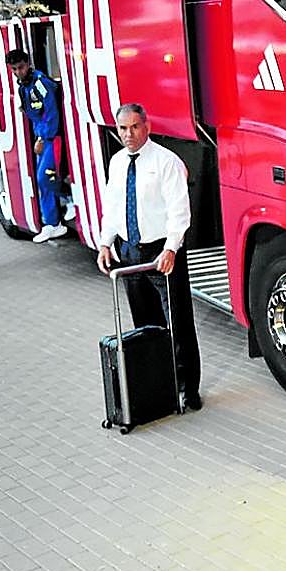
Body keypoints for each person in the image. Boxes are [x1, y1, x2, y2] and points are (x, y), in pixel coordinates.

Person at [96, 103, 203, 411]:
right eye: (122, 129)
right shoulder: (117, 163)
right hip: (130, 252)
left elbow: (179, 211)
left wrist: (171, 248)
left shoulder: (166, 161)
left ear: (147, 126)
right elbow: (113, 208)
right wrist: (106, 244)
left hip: (161, 253)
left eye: (134, 127)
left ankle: (187, 387)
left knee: (179, 323)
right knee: (146, 325)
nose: (128, 134)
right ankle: (160, 385)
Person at [5, 49, 67, 243]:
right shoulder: (23, 86)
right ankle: (52, 224)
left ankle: (69, 199)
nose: (18, 72)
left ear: (28, 63)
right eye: (14, 69)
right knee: (42, 181)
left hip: (51, 138)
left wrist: (42, 138)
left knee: (44, 178)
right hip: (43, 137)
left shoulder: (40, 83)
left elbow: (51, 113)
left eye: (20, 67)